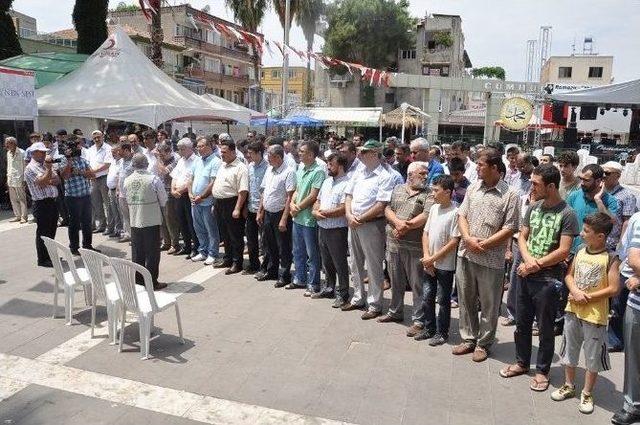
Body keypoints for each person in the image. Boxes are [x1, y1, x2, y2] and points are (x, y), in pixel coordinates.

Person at [499, 163, 578, 392]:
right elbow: (522, 237)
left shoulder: (567, 214)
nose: (531, 187)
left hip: (548, 280)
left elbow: (564, 250)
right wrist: (528, 262)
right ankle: (522, 362)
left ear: (551, 186)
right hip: (525, 273)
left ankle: (543, 371)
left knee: (544, 328)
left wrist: (536, 266)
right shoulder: (533, 208)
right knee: (521, 323)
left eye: (536, 183)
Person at [454, 147, 519, 362]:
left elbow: (509, 228)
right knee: (466, 298)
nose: (477, 168)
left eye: (481, 164)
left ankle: (484, 343)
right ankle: (468, 338)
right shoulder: (473, 189)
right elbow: (461, 215)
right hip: (466, 254)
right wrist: (469, 239)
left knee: (490, 305)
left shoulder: (510, 195)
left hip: (491, 260)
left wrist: (484, 245)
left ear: (494, 167)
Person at [551, 212, 619, 414]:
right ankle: (569, 385)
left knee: (592, 356)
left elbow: (614, 288)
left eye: (586, 231)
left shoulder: (611, 258)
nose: (581, 233)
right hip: (573, 311)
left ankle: (587, 392)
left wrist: (587, 297)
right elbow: (569, 275)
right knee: (569, 350)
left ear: (601, 236)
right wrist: (575, 291)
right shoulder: (580, 250)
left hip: (595, 315)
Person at [342, 140, 395, 318]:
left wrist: (360, 218)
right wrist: (349, 215)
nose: (359, 155)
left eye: (363, 152)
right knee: (355, 264)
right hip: (354, 222)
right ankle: (358, 298)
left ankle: (375, 304)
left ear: (373, 154)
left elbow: (381, 205)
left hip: (372, 225)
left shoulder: (385, 176)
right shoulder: (358, 172)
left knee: (373, 265)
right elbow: (348, 195)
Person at [377, 161, 433, 328]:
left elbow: (426, 214)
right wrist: (397, 222)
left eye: (426, 173)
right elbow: (388, 208)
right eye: (422, 174)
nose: (426, 176)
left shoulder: (429, 193)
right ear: (410, 175)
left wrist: (405, 226)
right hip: (394, 244)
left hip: (415, 246)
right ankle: (395, 311)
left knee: (417, 285)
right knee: (396, 281)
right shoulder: (398, 189)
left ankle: (418, 319)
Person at [420, 174, 460, 345]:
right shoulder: (434, 209)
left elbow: (453, 241)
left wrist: (433, 259)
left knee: (443, 300)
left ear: (448, 192)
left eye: (436, 190)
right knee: (427, 297)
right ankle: (429, 328)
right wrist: (427, 257)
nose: (433, 193)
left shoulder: (455, 212)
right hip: (430, 262)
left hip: (445, 265)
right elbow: (426, 233)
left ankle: (442, 332)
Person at [610, 211, 640, 425]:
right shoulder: (638, 220)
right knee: (634, 356)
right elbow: (633, 258)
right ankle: (633, 404)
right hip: (636, 303)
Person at [123, 153, 167, 290]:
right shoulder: (154, 179)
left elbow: (125, 198)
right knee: (152, 251)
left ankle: (139, 280)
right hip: (151, 219)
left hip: (135, 219)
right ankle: (152, 281)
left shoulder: (127, 180)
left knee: (137, 252)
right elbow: (164, 199)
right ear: (147, 164)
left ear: (133, 165)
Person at [312, 153, 350, 306]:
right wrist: (315, 211)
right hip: (323, 227)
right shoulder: (327, 182)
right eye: (327, 164)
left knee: (339, 262)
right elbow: (318, 201)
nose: (328, 167)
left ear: (340, 166)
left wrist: (323, 213)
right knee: (326, 261)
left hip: (337, 229)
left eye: (331, 164)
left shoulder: (348, 183)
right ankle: (329, 287)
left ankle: (343, 293)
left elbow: (342, 208)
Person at [289, 140, 325, 295]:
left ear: (311, 154)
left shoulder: (318, 171)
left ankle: (313, 283)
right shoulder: (301, 167)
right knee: (297, 251)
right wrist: (292, 204)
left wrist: (298, 207)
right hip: (297, 217)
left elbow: (313, 195)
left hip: (308, 218)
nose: (299, 153)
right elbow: (297, 190)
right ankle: (300, 278)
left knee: (312, 254)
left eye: (302, 151)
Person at [257, 144, 295, 286]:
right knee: (269, 244)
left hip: (281, 214)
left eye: (269, 156)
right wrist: (260, 211)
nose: (267, 159)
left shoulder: (289, 172)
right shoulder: (269, 170)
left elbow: (289, 197)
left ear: (278, 157)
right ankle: (271, 271)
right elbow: (264, 192)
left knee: (283, 246)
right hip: (268, 212)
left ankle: (284, 275)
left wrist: (284, 218)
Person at [212, 138, 249, 274]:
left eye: (225, 152)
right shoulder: (222, 165)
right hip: (219, 203)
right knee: (225, 234)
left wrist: (238, 208)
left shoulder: (241, 168)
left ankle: (236, 262)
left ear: (233, 152)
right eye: (221, 152)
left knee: (235, 235)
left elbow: (243, 191)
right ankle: (227, 258)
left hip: (232, 203)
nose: (222, 154)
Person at [566, 164, 619, 255]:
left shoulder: (610, 201)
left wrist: (598, 200)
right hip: (571, 251)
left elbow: (611, 221)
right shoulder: (574, 196)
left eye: (586, 180)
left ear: (599, 181)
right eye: (581, 179)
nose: (582, 183)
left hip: (595, 254)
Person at [59, 135, 98, 255]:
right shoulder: (64, 160)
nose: (80, 147)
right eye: (77, 145)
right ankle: (74, 247)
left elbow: (92, 175)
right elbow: (64, 176)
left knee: (87, 222)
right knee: (74, 223)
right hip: (72, 197)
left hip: (85, 195)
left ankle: (87, 245)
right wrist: (69, 162)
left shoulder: (83, 160)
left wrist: (80, 172)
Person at [23, 142, 59, 267]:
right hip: (41, 203)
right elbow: (42, 183)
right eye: (42, 152)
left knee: (51, 230)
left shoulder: (45, 165)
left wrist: (47, 177)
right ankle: (43, 259)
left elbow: (57, 180)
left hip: (52, 201)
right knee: (43, 232)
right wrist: (48, 171)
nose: (44, 154)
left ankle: (50, 255)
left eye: (45, 152)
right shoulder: (30, 168)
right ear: (33, 153)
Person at [189, 136, 221, 265]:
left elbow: (213, 183)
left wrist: (201, 197)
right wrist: (190, 193)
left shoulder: (215, 161)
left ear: (209, 146)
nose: (199, 149)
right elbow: (190, 178)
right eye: (198, 146)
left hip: (207, 202)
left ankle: (213, 253)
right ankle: (203, 251)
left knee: (211, 229)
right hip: (194, 201)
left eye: (202, 146)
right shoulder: (197, 161)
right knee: (199, 228)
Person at [170, 138, 198, 258]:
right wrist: (173, 190)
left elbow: (192, 180)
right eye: (179, 149)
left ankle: (195, 247)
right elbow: (175, 176)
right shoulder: (181, 160)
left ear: (189, 148)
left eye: (182, 149)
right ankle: (186, 246)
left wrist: (180, 191)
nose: (180, 151)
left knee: (191, 223)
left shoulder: (196, 161)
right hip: (178, 195)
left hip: (187, 194)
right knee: (182, 222)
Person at [603, 161, 637, 252]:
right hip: (593, 240)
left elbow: (627, 222)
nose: (604, 175)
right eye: (602, 172)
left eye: (607, 173)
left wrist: (621, 245)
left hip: (611, 243)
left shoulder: (627, 196)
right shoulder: (597, 191)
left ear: (618, 176)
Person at [245, 141, 268, 274]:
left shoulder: (267, 167)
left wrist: (261, 210)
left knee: (265, 240)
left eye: (251, 153)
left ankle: (265, 267)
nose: (249, 156)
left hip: (263, 209)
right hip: (250, 207)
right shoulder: (250, 166)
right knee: (251, 239)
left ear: (259, 153)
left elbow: (265, 191)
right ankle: (253, 264)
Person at [153, 143, 180, 252]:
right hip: (160, 189)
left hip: (169, 190)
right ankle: (166, 241)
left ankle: (175, 243)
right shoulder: (161, 159)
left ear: (169, 151)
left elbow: (164, 171)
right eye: (159, 154)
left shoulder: (175, 160)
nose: (161, 156)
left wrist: (158, 159)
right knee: (161, 218)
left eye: (162, 154)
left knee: (170, 218)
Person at [86, 130, 112, 233]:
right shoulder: (90, 149)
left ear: (102, 137)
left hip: (104, 177)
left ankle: (111, 227)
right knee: (96, 204)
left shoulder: (108, 148)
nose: (97, 139)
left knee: (107, 204)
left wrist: (93, 172)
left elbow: (107, 164)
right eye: (94, 138)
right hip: (93, 179)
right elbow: (87, 163)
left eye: (98, 137)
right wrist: (90, 174)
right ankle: (101, 225)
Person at [4, 137, 28, 223]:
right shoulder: (8, 153)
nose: (6, 145)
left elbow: (25, 167)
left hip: (20, 178)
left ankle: (24, 217)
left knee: (21, 198)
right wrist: (7, 178)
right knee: (13, 199)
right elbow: (9, 167)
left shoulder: (22, 152)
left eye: (8, 143)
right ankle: (17, 215)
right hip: (11, 178)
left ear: (13, 143)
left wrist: (25, 179)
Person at [105, 143, 122, 238]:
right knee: (114, 211)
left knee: (120, 212)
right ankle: (117, 229)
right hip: (110, 190)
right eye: (112, 152)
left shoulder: (122, 162)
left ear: (119, 151)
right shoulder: (113, 162)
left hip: (117, 190)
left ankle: (123, 230)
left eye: (114, 152)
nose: (113, 154)